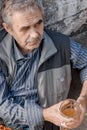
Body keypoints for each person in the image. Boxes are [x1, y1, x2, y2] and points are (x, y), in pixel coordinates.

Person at [0, 0, 87, 130]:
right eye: (25, 28)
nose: (35, 34)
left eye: (38, 23)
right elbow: (3, 107)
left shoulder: (61, 44)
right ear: (8, 28)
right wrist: (44, 114)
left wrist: (83, 100)